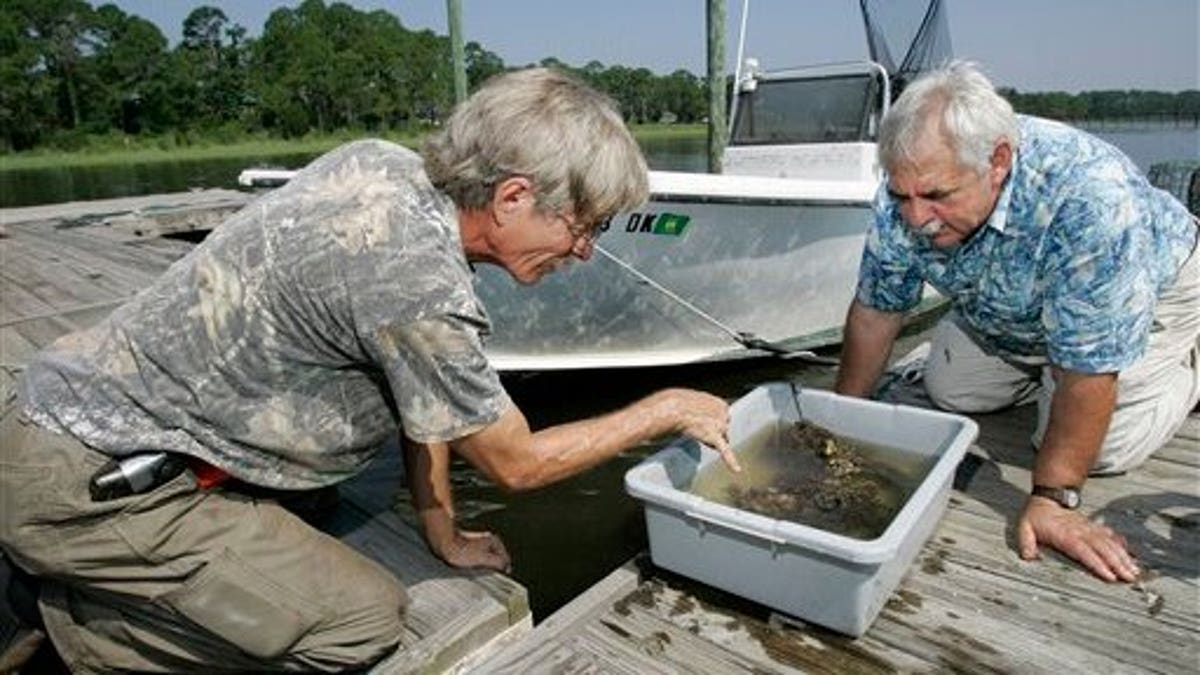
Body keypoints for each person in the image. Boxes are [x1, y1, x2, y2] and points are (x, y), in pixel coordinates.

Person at [0, 68, 737, 672]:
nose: (583, 251)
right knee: (360, 621)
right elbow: (515, 463)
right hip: (92, 487)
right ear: (513, 197)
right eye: (584, 226)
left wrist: (439, 525)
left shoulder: (388, 168)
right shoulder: (419, 284)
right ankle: (70, 622)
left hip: (65, 419)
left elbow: (424, 395)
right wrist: (664, 405)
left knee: (327, 503)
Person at [835, 61, 1199, 584]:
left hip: (1152, 293)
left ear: (998, 162)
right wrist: (844, 416)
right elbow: (876, 311)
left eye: (937, 196)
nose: (915, 218)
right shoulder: (909, 187)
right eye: (901, 197)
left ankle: (1189, 363)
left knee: (1104, 450)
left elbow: (1088, 369)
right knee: (953, 391)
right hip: (1009, 313)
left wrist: (1053, 498)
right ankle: (1038, 378)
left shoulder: (1092, 199)